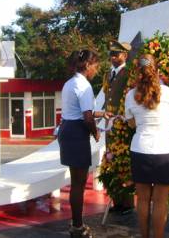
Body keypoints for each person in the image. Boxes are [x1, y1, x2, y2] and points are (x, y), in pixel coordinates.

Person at [124, 54, 169, 238]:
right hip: (165, 151)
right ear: (157, 71)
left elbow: (131, 124)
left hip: (140, 150)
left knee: (143, 199)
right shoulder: (168, 93)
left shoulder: (131, 95)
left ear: (138, 72)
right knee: (161, 202)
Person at [58, 49, 110, 238]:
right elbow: (87, 117)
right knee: (79, 184)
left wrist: (102, 113)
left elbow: (81, 111)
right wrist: (95, 132)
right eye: (96, 65)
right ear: (88, 65)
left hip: (67, 130)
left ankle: (75, 223)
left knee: (76, 182)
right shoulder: (84, 86)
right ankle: (78, 228)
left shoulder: (70, 83)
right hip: (77, 134)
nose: (96, 70)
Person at [102, 40, 134, 215]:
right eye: (111, 55)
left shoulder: (129, 74)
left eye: (117, 54)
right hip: (109, 122)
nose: (113, 57)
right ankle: (116, 201)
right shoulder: (109, 74)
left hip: (122, 121)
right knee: (111, 158)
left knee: (123, 161)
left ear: (125, 55)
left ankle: (127, 203)